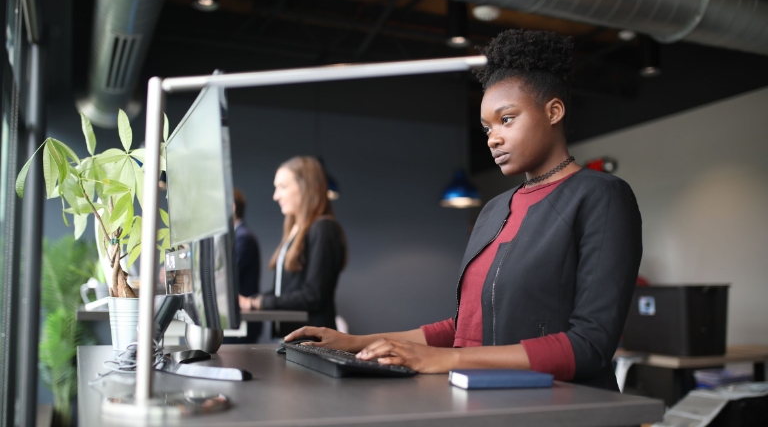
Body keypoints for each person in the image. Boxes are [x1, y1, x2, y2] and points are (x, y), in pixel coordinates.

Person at [283, 29, 642, 391]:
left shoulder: (602, 196)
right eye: (486, 127)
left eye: (507, 119)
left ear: (553, 111)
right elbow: (465, 328)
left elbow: (589, 346)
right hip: (489, 401)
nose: (493, 138)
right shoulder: (494, 210)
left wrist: (447, 359)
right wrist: (356, 341)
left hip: (566, 408)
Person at [239, 156, 347, 337]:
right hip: (291, 340)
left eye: (283, 187)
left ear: (306, 187)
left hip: (311, 344)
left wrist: (260, 303)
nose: (276, 195)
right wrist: (252, 301)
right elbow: (286, 291)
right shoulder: (294, 231)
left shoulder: (323, 228)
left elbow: (313, 295)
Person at [226, 188, 263, 344]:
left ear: (232, 207)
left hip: (242, 322)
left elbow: (227, 275)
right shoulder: (237, 237)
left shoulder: (243, 239)